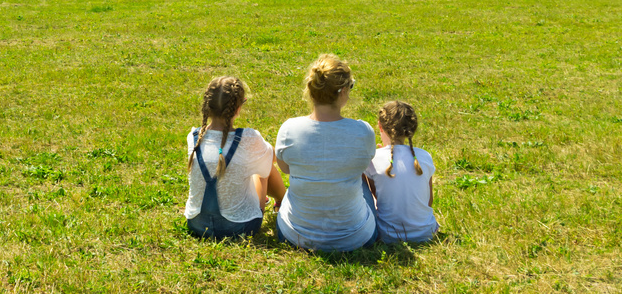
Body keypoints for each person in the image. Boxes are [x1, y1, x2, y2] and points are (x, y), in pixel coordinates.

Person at [275, 54, 377, 252]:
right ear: (343, 92)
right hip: (357, 237)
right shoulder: (363, 131)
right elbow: (362, 167)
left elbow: (285, 169)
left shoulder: (289, 129)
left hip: (294, 235)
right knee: (362, 180)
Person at [184, 76, 286, 239]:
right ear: (238, 108)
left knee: (250, 162)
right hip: (239, 227)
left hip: (197, 224)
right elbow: (274, 157)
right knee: (264, 168)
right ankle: (281, 202)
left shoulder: (194, 136)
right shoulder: (248, 138)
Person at [364, 101, 439, 244]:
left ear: (380, 126)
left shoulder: (373, 159)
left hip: (387, 236)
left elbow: (376, 198)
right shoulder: (424, 156)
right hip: (426, 233)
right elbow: (428, 201)